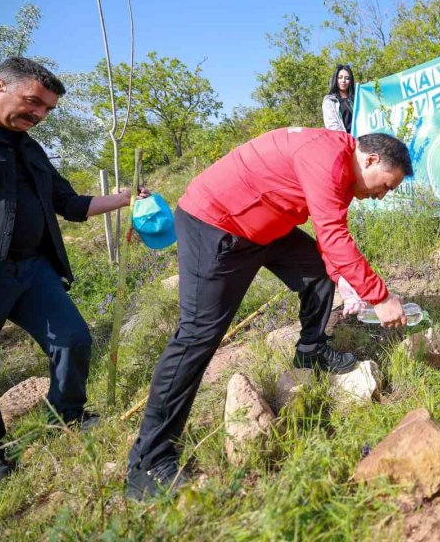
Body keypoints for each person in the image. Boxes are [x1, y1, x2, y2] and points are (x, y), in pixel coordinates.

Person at [126, 127, 412, 500]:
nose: (380, 196)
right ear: (371, 160)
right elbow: (332, 235)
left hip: (266, 228)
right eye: (386, 186)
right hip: (215, 224)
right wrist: (380, 296)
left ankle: (312, 350)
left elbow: (332, 240)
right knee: (197, 336)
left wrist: (344, 279)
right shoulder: (324, 156)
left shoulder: (343, 174)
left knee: (320, 274)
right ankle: (148, 461)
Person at [0, 57, 142, 490]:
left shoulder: (28, 147)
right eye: (33, 103)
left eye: (47, 110)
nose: (38, 116)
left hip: (33, 269)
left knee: (73, 339)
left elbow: (69, 205)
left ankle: (67, 414)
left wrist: (124, 198)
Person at [322, 64, 356, 133]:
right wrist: (349, 139)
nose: (343, 81)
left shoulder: (356, 98)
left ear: (350, 81)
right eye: (340, 77)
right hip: (343, 140)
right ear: (335, 79)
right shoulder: (329, 101)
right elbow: (332, 126)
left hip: (360, 140)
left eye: (347, 78)